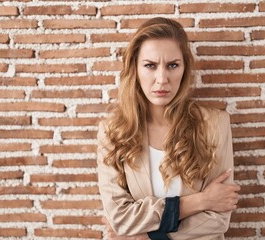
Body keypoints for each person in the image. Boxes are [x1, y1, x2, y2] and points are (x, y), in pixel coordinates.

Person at [97, 17, 240, 240]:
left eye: (172, 65)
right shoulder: (112, 132)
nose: (162, 79)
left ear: (184, 68)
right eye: (150, 65)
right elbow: (119, 218)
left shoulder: (215, 125)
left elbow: (218, 219)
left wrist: (148, 237)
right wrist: (199, 201)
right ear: (135, 68)